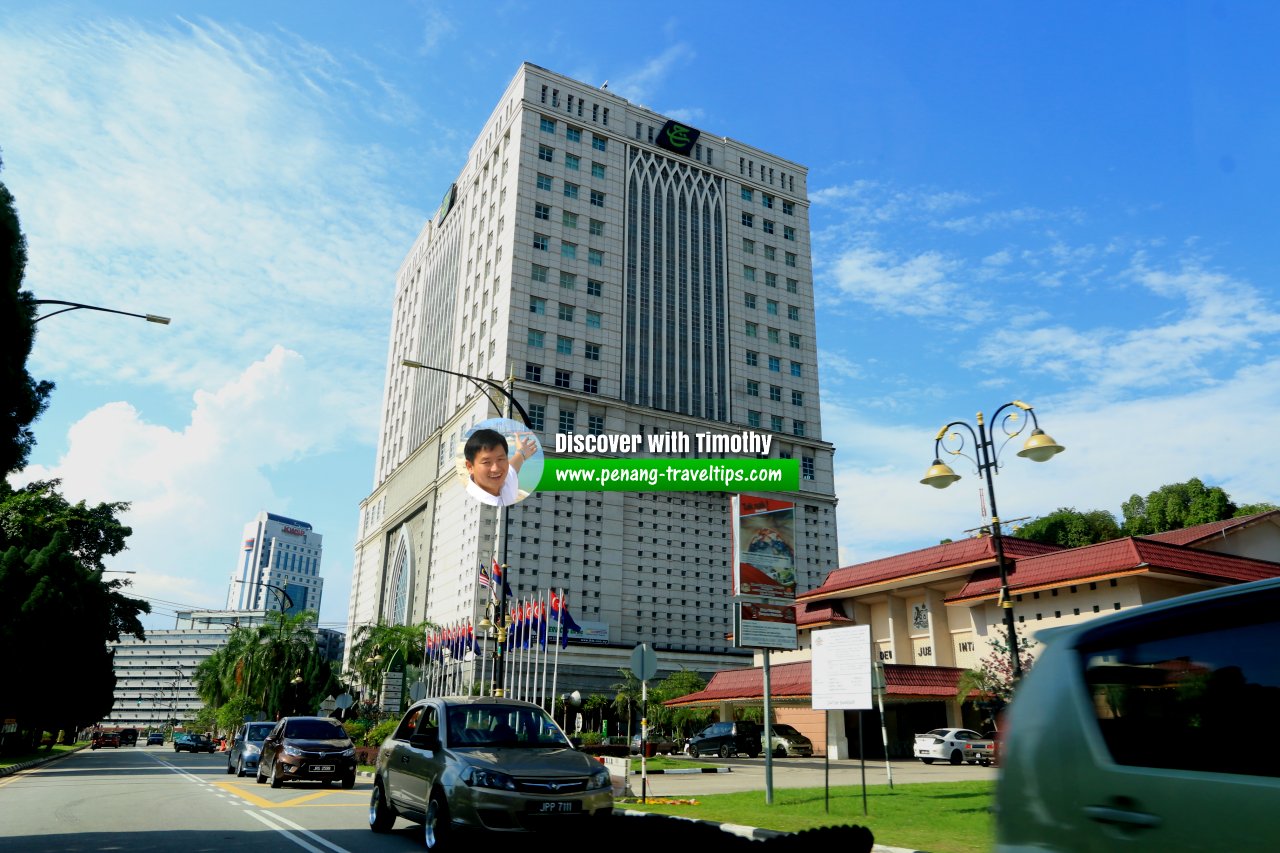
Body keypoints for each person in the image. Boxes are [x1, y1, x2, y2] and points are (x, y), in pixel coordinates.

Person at [463, 428, 537, 507]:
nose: (496, 469)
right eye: (486, 462)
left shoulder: (505, 480)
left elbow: (513, 467)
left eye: (500, 459)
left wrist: (521, 452)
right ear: (470, 467)